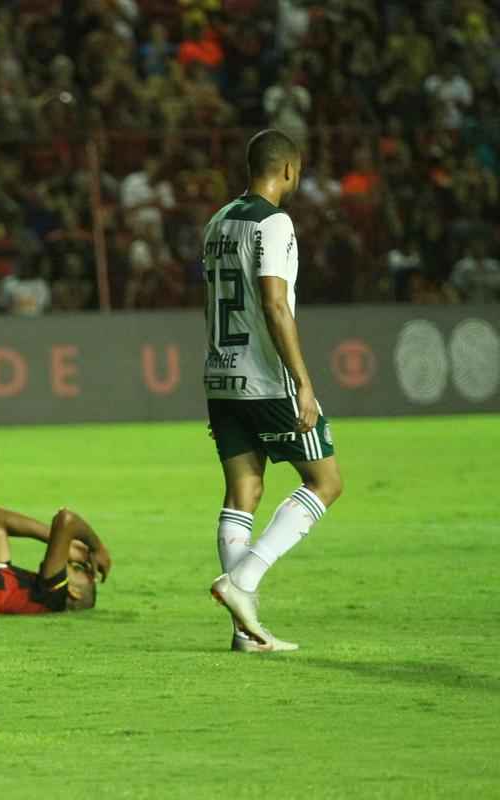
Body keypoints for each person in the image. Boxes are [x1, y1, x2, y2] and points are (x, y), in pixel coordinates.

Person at [201, 129, 344, 654]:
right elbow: (274, 304)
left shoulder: (217, 221)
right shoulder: (274, 222)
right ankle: (243, 581)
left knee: (243, 492)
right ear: (287, 169)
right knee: (325, 481)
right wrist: (303, 382)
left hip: (221, 374)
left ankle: (245, 631)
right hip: (266, 377)